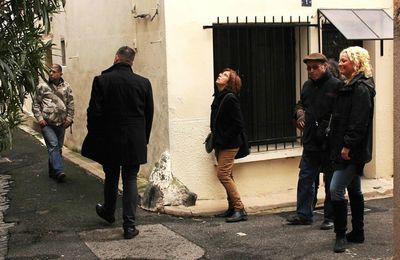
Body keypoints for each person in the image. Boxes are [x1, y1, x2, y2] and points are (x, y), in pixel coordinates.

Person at [81, 46, 154, 239]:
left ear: (116, 58)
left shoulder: (102, 80)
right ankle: (129, 226)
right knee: (130, 178)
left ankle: (108, 211)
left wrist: (95, 135)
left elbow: (94, 113)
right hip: (134, 140)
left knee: (111, 175)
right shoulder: (144, 83)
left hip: (109, 138)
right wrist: (143, 139)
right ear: (132, 61)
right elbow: (149, 114)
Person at [287, 53, 342, 228]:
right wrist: (300, 113)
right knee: (305, 178)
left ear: (324, 66)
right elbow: (300, 104)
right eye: (308, 68)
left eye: (315, 67)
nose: (311, 71)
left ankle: (330, 218)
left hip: (329, 142)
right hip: (310, 140)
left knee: (330, 181)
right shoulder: (307, 86)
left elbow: (342, 113)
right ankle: (303, 214)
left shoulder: (336, 85)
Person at [329, 46, 375, 253]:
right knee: (354, 189)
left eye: (344, 61)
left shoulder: (361, 88)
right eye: (339, 60)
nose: (340, 64)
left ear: (356, 63)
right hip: (344, 147)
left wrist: (347, 145)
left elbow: (359, 122)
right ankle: (358, 232)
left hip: (350, 150)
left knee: (335, 190)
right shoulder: (350, 85)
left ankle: (340, 235)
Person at [211, 68, 247, 223]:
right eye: (221, 73)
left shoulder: (230, 98)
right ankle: (232, 207)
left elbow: (239, 124)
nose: (220, 75)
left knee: (223, 174)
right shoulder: (219, 97)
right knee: (228, 174)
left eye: (225, 75)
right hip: (221, 143)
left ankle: (240, 208)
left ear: (230, 82)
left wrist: (223, 138)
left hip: (229, 144)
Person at [32, 64, 74, 182]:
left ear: (60, 73)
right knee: (54, 145)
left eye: (54, 72)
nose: (51, 73)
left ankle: (52, 171)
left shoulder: (66, 87)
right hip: (47, 123)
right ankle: (59, 170)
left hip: (61, 123)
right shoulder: (42, 86)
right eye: (50, 71)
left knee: (57, 148)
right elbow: (36, 104)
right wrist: (40, 119)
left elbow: (70, 103)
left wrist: (69, 119)